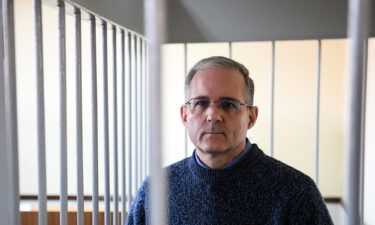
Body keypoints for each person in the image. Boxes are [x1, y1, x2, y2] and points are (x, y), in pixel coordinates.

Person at [126, 56, 334, 225]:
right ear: (184, 115)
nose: (213, 115)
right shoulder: (155, 189)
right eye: (201, 103)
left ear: (251, 117)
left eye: (229, 104)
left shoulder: (296, 192)